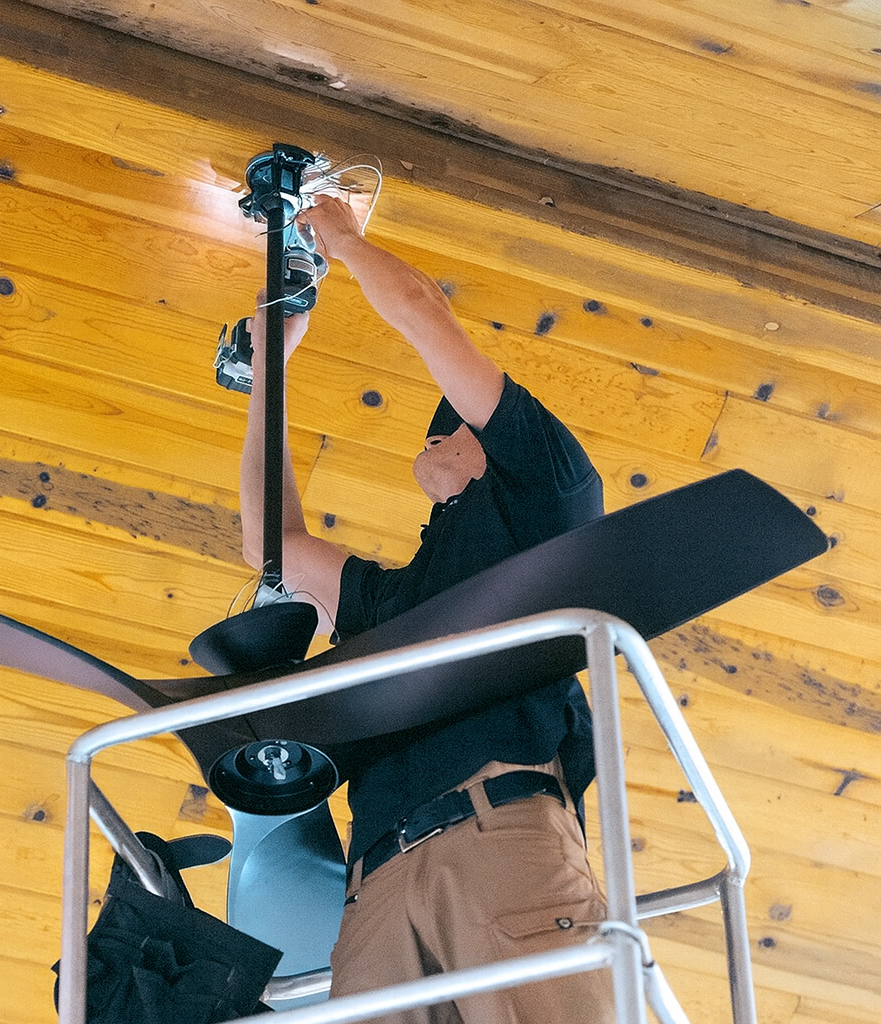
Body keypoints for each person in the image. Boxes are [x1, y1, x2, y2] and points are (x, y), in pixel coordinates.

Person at [239, 195, 614, 1024]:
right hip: (377, 884)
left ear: (488, 439)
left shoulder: (550, 493)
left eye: (449, 425)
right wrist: (271, 370)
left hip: (500, 833)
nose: (430, 438)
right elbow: (272, 546)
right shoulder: (395, 598)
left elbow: (418, 309)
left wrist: (338, 236)